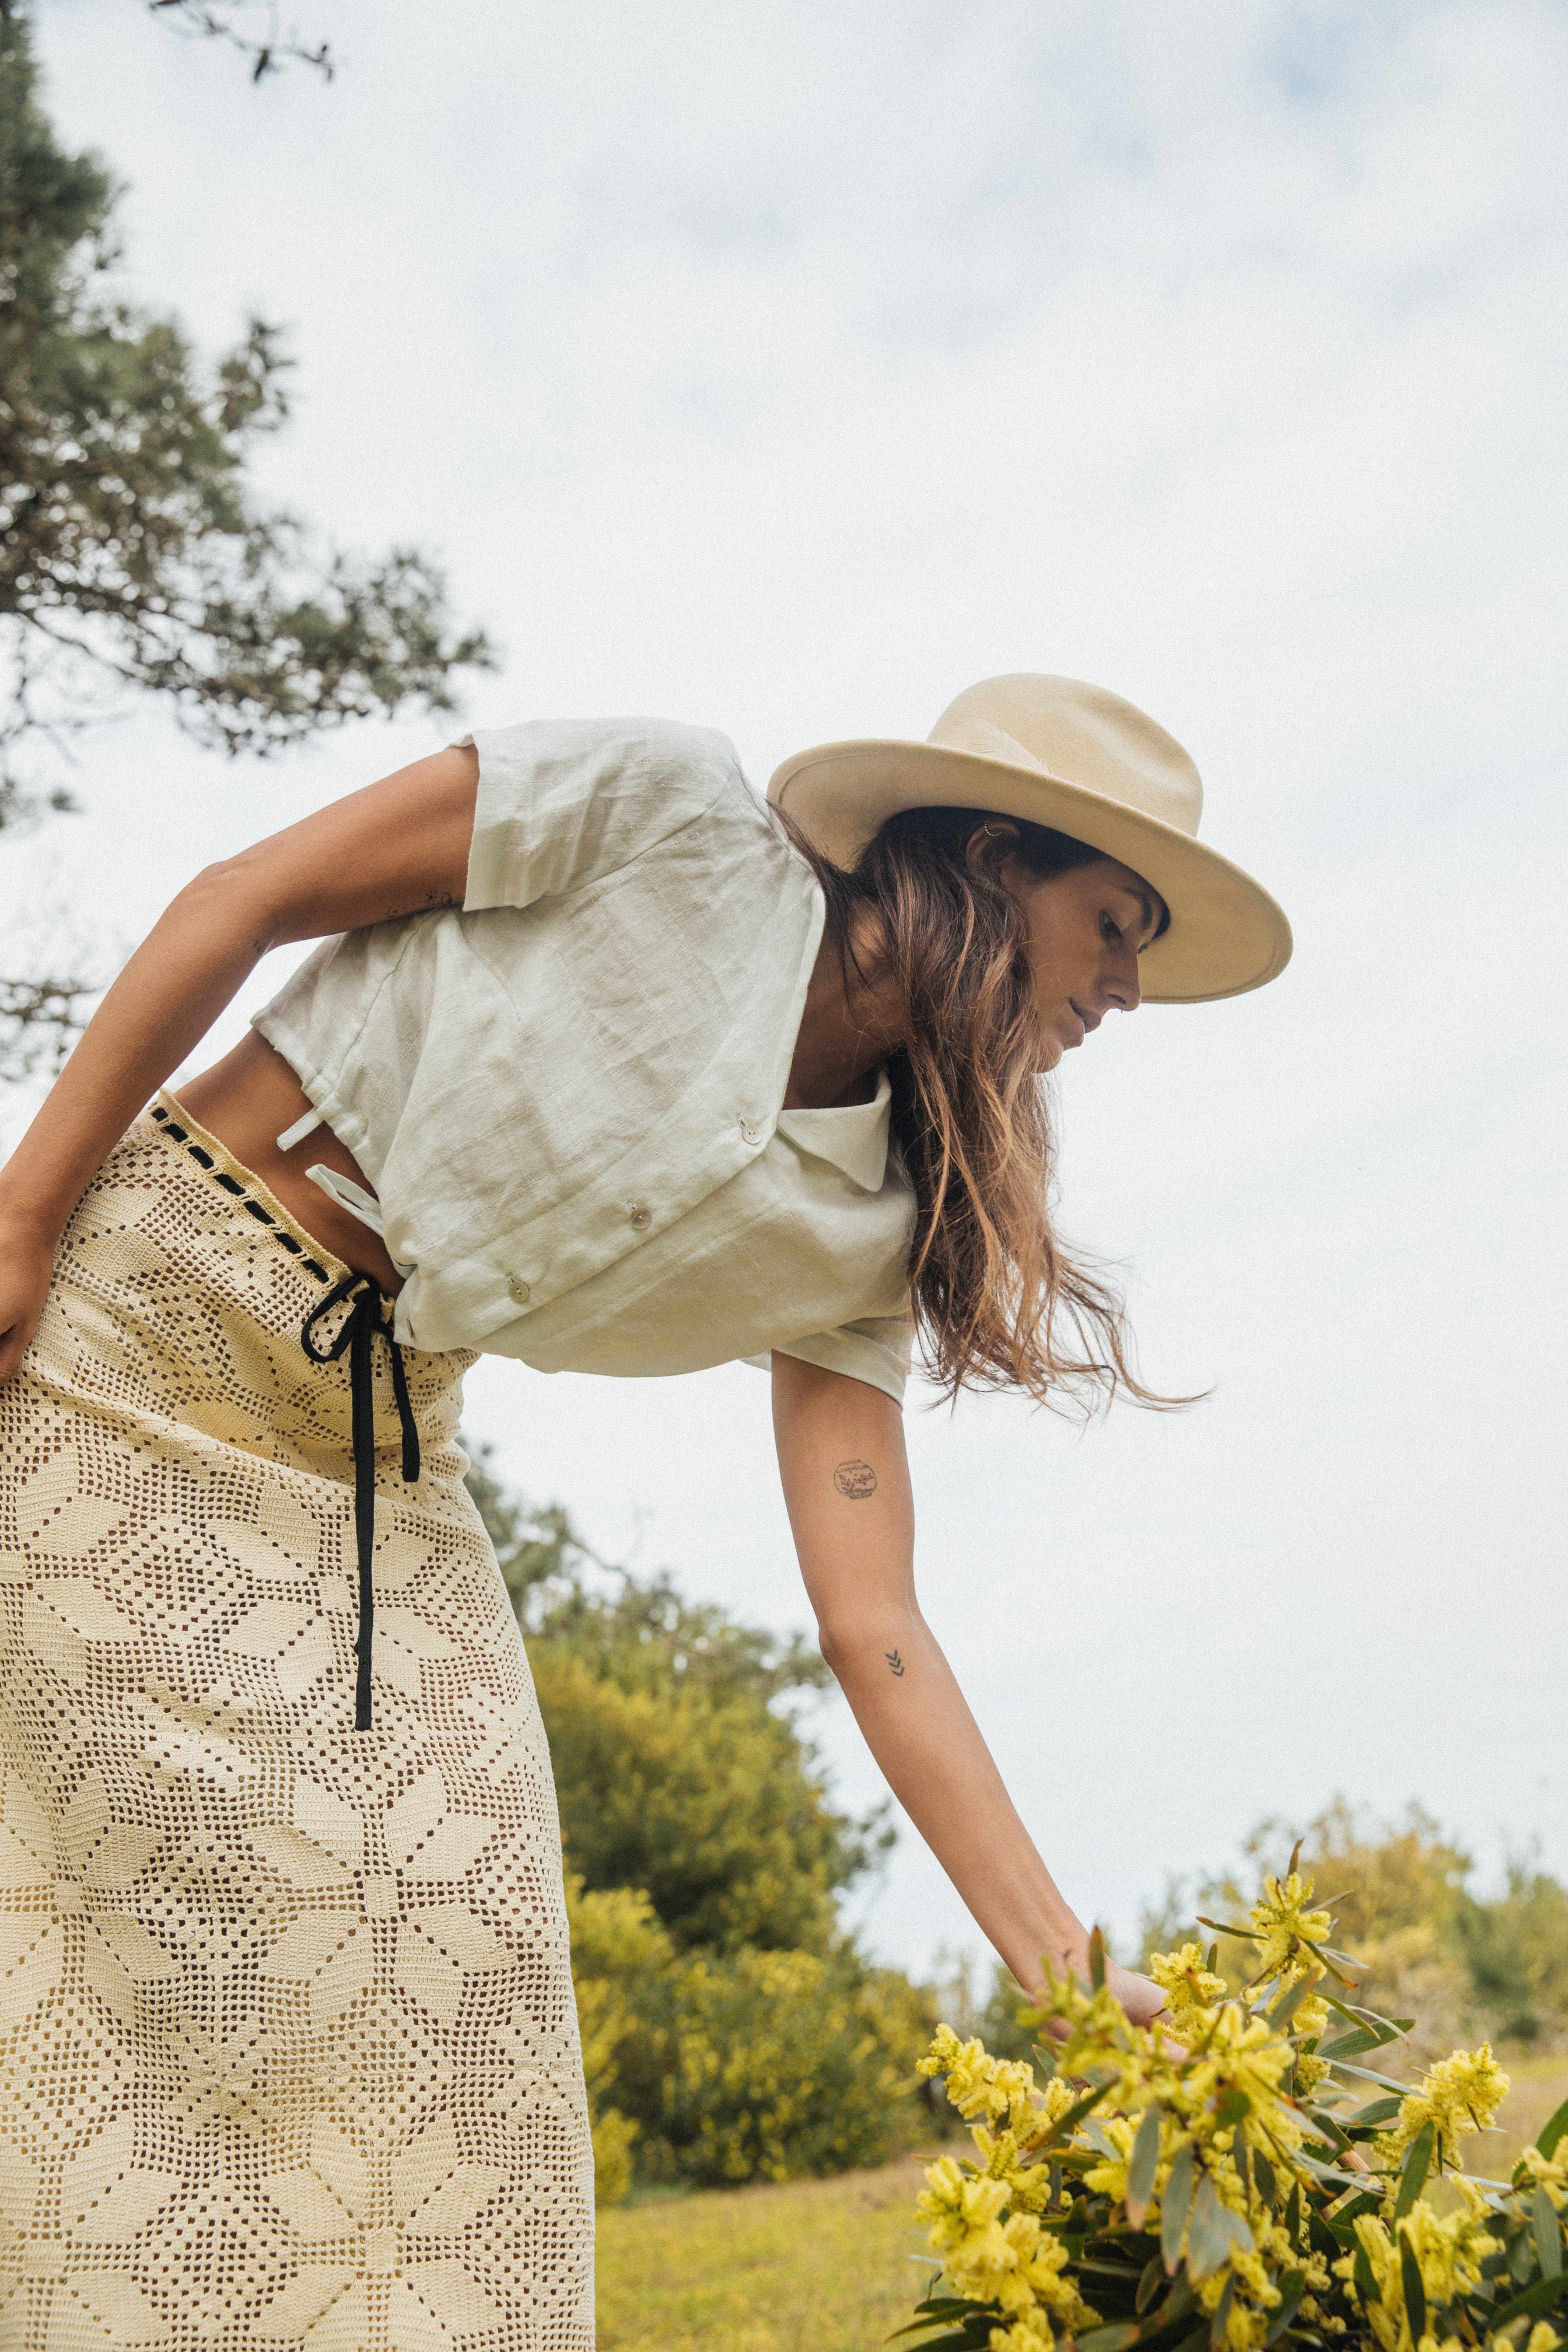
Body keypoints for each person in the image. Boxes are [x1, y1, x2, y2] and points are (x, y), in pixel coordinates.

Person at [0, 672, 1290, 2350]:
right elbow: (244, 897)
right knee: (102, 1957)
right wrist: (22, 1223)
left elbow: (873, 1616)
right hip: (134, 1331)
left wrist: (1062, 1976)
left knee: (472, 1988)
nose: (1130, 987)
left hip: (375, 1471)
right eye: (1114, 926)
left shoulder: (890, 1217)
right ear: (988, 857)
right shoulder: (658, 812)